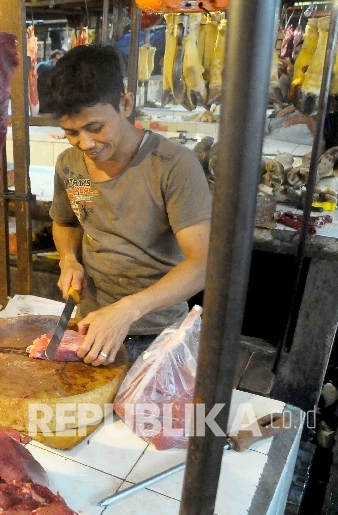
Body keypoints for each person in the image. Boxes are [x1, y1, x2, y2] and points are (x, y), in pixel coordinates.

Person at [44, 45, 212, 366]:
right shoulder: (69, 164)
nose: (86, 143)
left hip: (160, 333)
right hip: (91, 326)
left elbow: (203, 264)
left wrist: (128, 310)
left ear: (125, 104)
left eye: (95, 128)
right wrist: (68, 260)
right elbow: (65, 223)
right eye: (71, 132)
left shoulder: (173, 165)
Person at [37, 50, 64, 114]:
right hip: (51, 107)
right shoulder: (56, 66)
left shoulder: (41, 65)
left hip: (40, 105)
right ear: (57, 56)